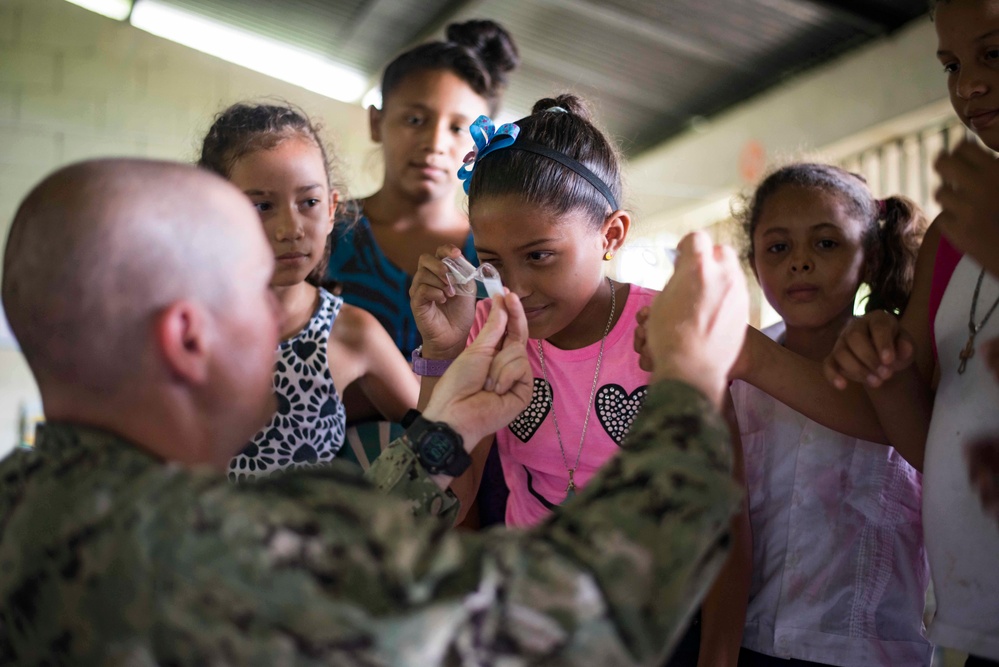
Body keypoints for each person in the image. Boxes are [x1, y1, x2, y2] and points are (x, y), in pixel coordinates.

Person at [0, 157, 748, 665]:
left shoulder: (28, 500)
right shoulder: (195, 541)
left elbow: (322, 552)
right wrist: (687, 380)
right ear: (188, 337)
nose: (283, 316)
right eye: (259, 292)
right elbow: (578, 609)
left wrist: (443, 433)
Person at [410, 94, 751, 666]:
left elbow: (724, 524)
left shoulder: (670, 332)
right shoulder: (492, 336)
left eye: (540, 256)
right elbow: (448, 491)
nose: (514, 287)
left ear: (612, 234)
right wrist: (442, 355)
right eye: (491, 262)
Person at [817, 2, 999, 663]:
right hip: (976, 619)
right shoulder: (951, 238)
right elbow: (929, 440)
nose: (968, 85)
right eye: (951, 65)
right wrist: (881, 369)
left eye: (993, 55)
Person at [726, 163, 931, 667]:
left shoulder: (900, 357)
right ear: (754, 263)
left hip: (870, 652)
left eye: (826, 244)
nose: (800, 262)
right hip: (749, 644)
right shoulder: (731, 376)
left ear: (871, 256)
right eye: (778, 248)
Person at [197, 102, 419, 481]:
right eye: (263, 205)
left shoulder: (350, 333)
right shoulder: (186, 326)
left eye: (309, 202)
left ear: (332, 209)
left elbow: (435, 434)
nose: (291, 228)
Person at [326, 19, 519, 363]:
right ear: (376, 122)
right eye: (415, 120)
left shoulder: (498, 255)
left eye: (459, 127)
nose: (435, 144)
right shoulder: (322, 232)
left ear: (485, 142)